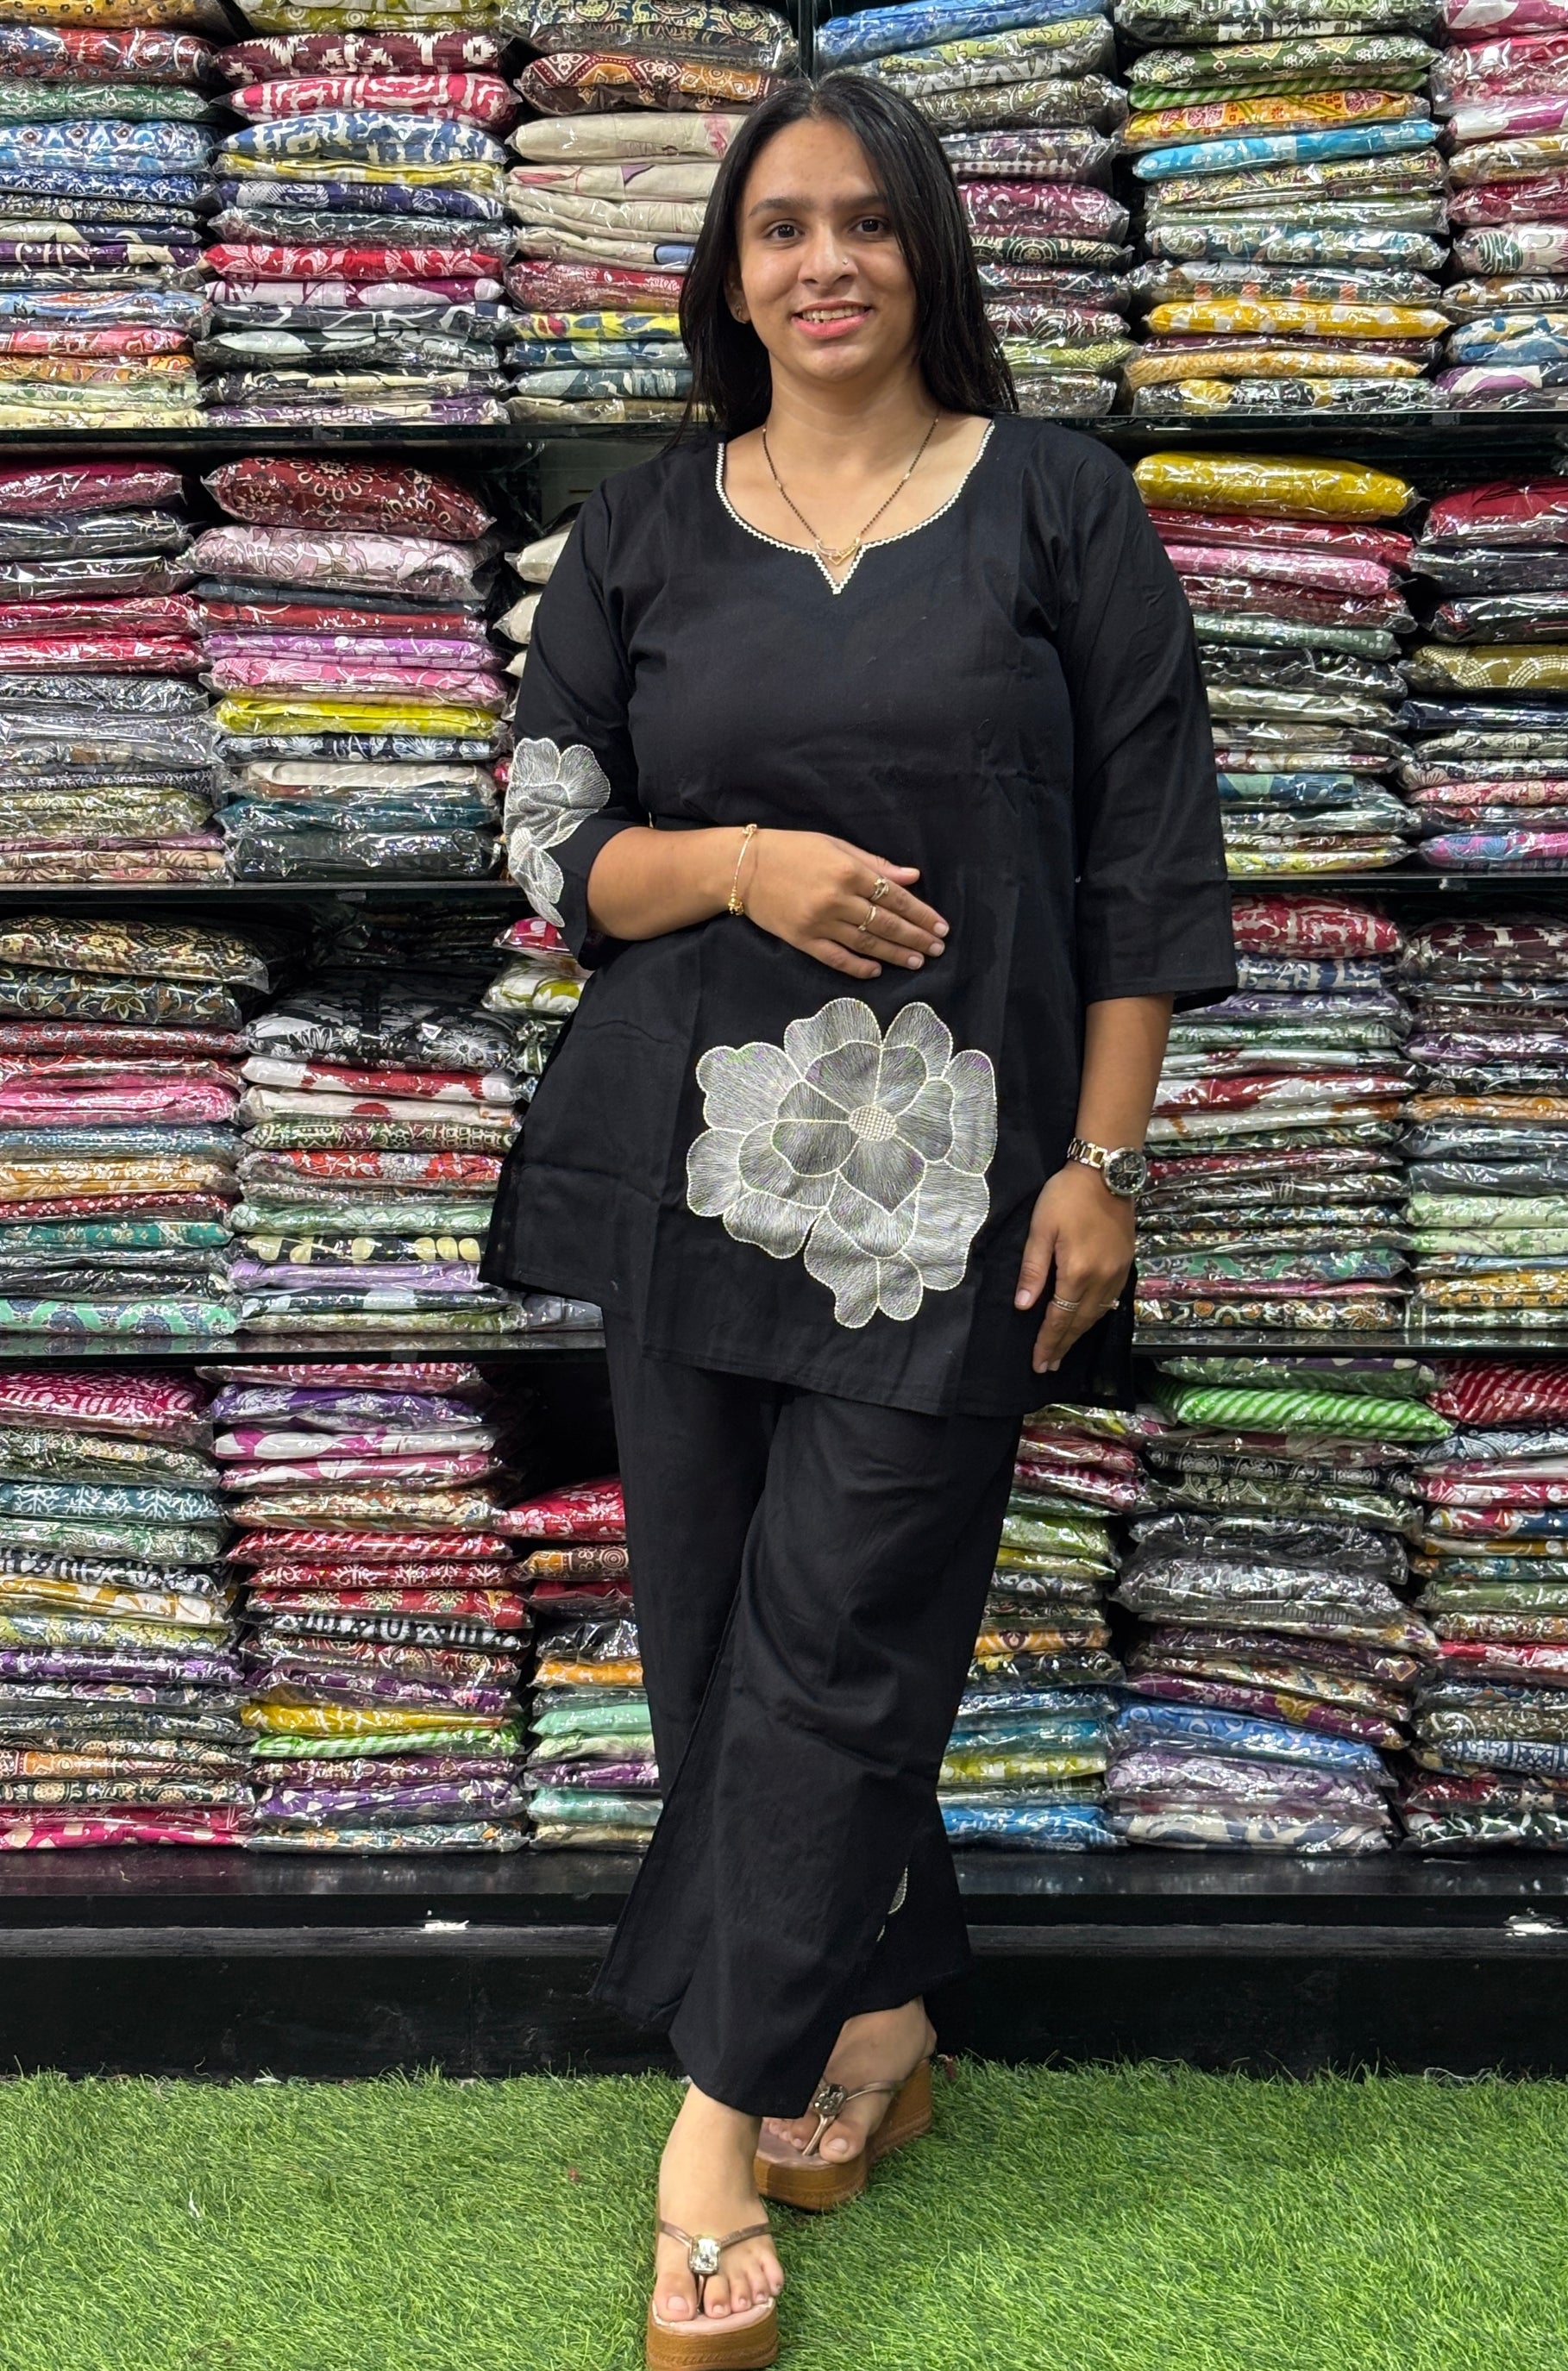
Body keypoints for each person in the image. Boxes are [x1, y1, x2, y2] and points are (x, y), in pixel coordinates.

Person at [483, 66, 1233, 2371]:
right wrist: (737, 867)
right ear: (727, 272)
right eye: (780, 225)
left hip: (959, 1201)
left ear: (929, 253)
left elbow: (1145, 861)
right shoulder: (639, 533)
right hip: (683, 1177)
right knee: (717, 1640)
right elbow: (550, 849)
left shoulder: (1056, 508)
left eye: (867, 222)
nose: (825, 261)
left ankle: (712, 2129)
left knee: (843, 1632)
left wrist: (1104, 1162)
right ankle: (880, 2012)